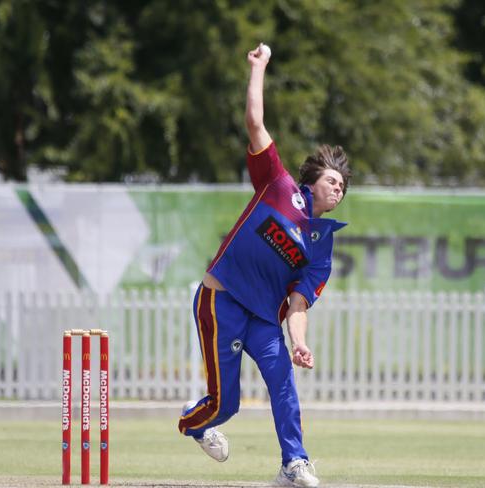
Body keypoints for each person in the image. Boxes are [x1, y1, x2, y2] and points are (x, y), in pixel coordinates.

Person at [178, 43, 351, 488]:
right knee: (225, 405)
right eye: (333, 180)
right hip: (220, 300)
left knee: (283, 384)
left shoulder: (322, 245)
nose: (339, 189)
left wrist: (299, 343)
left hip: (261, 318)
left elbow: (298, 303)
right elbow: (255, 122)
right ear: (312, 181)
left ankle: (294, 464)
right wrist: (259, 67)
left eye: (344, 187)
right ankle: (193, 424)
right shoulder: (278, 184)